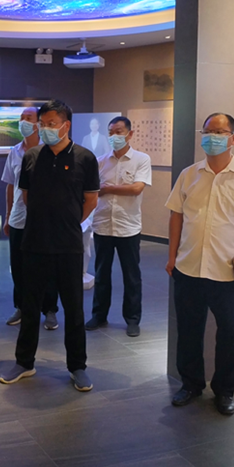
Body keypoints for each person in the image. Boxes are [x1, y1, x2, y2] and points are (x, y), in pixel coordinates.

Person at [166, 112, 234, 415]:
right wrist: (172, 257)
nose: (211, 137)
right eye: (207, 132)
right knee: (188, 330)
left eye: (219, 132)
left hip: (228, 272)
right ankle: (190, 384)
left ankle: (225, 390)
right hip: (189, 268)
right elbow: (176, 216)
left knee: (229, 333)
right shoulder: (189, 174)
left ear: (233, 138)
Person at [0, 100, 99, 392]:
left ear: (66, 125)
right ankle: (24, 362)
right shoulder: (32, 156)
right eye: (42, 124)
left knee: (74, 309)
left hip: (69, 244)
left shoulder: (85, 158)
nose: (45, 129)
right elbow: (26, 196)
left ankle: (77, 367)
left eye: (51, 124)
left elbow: (91, 199)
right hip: (34, 241)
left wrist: (67, 221)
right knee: (30, 306)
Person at [88, 116, 152, 337]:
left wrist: (108, 188)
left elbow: (136, 188)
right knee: (101, 274)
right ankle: (99, 315)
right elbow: (92, 190)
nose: (114, 136)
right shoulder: (100, 161)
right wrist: (104, 189)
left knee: (131, 276)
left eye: (119, 132)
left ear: (130, 134)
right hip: (103, 225)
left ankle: (132, 319)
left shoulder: (141, 159)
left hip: (128, 227)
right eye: (111, 132)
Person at [1, 107, 59, 329]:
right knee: (18, 265)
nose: (24, 122)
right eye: (21, 118)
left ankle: (49, 309)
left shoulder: (50, 150)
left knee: (47, 265)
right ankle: (21, 306)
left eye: (29, 118)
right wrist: (7, 216)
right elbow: (10, 186)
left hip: (44, 219)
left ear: (38, 123)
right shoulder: (14, 152)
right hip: (18, 216)